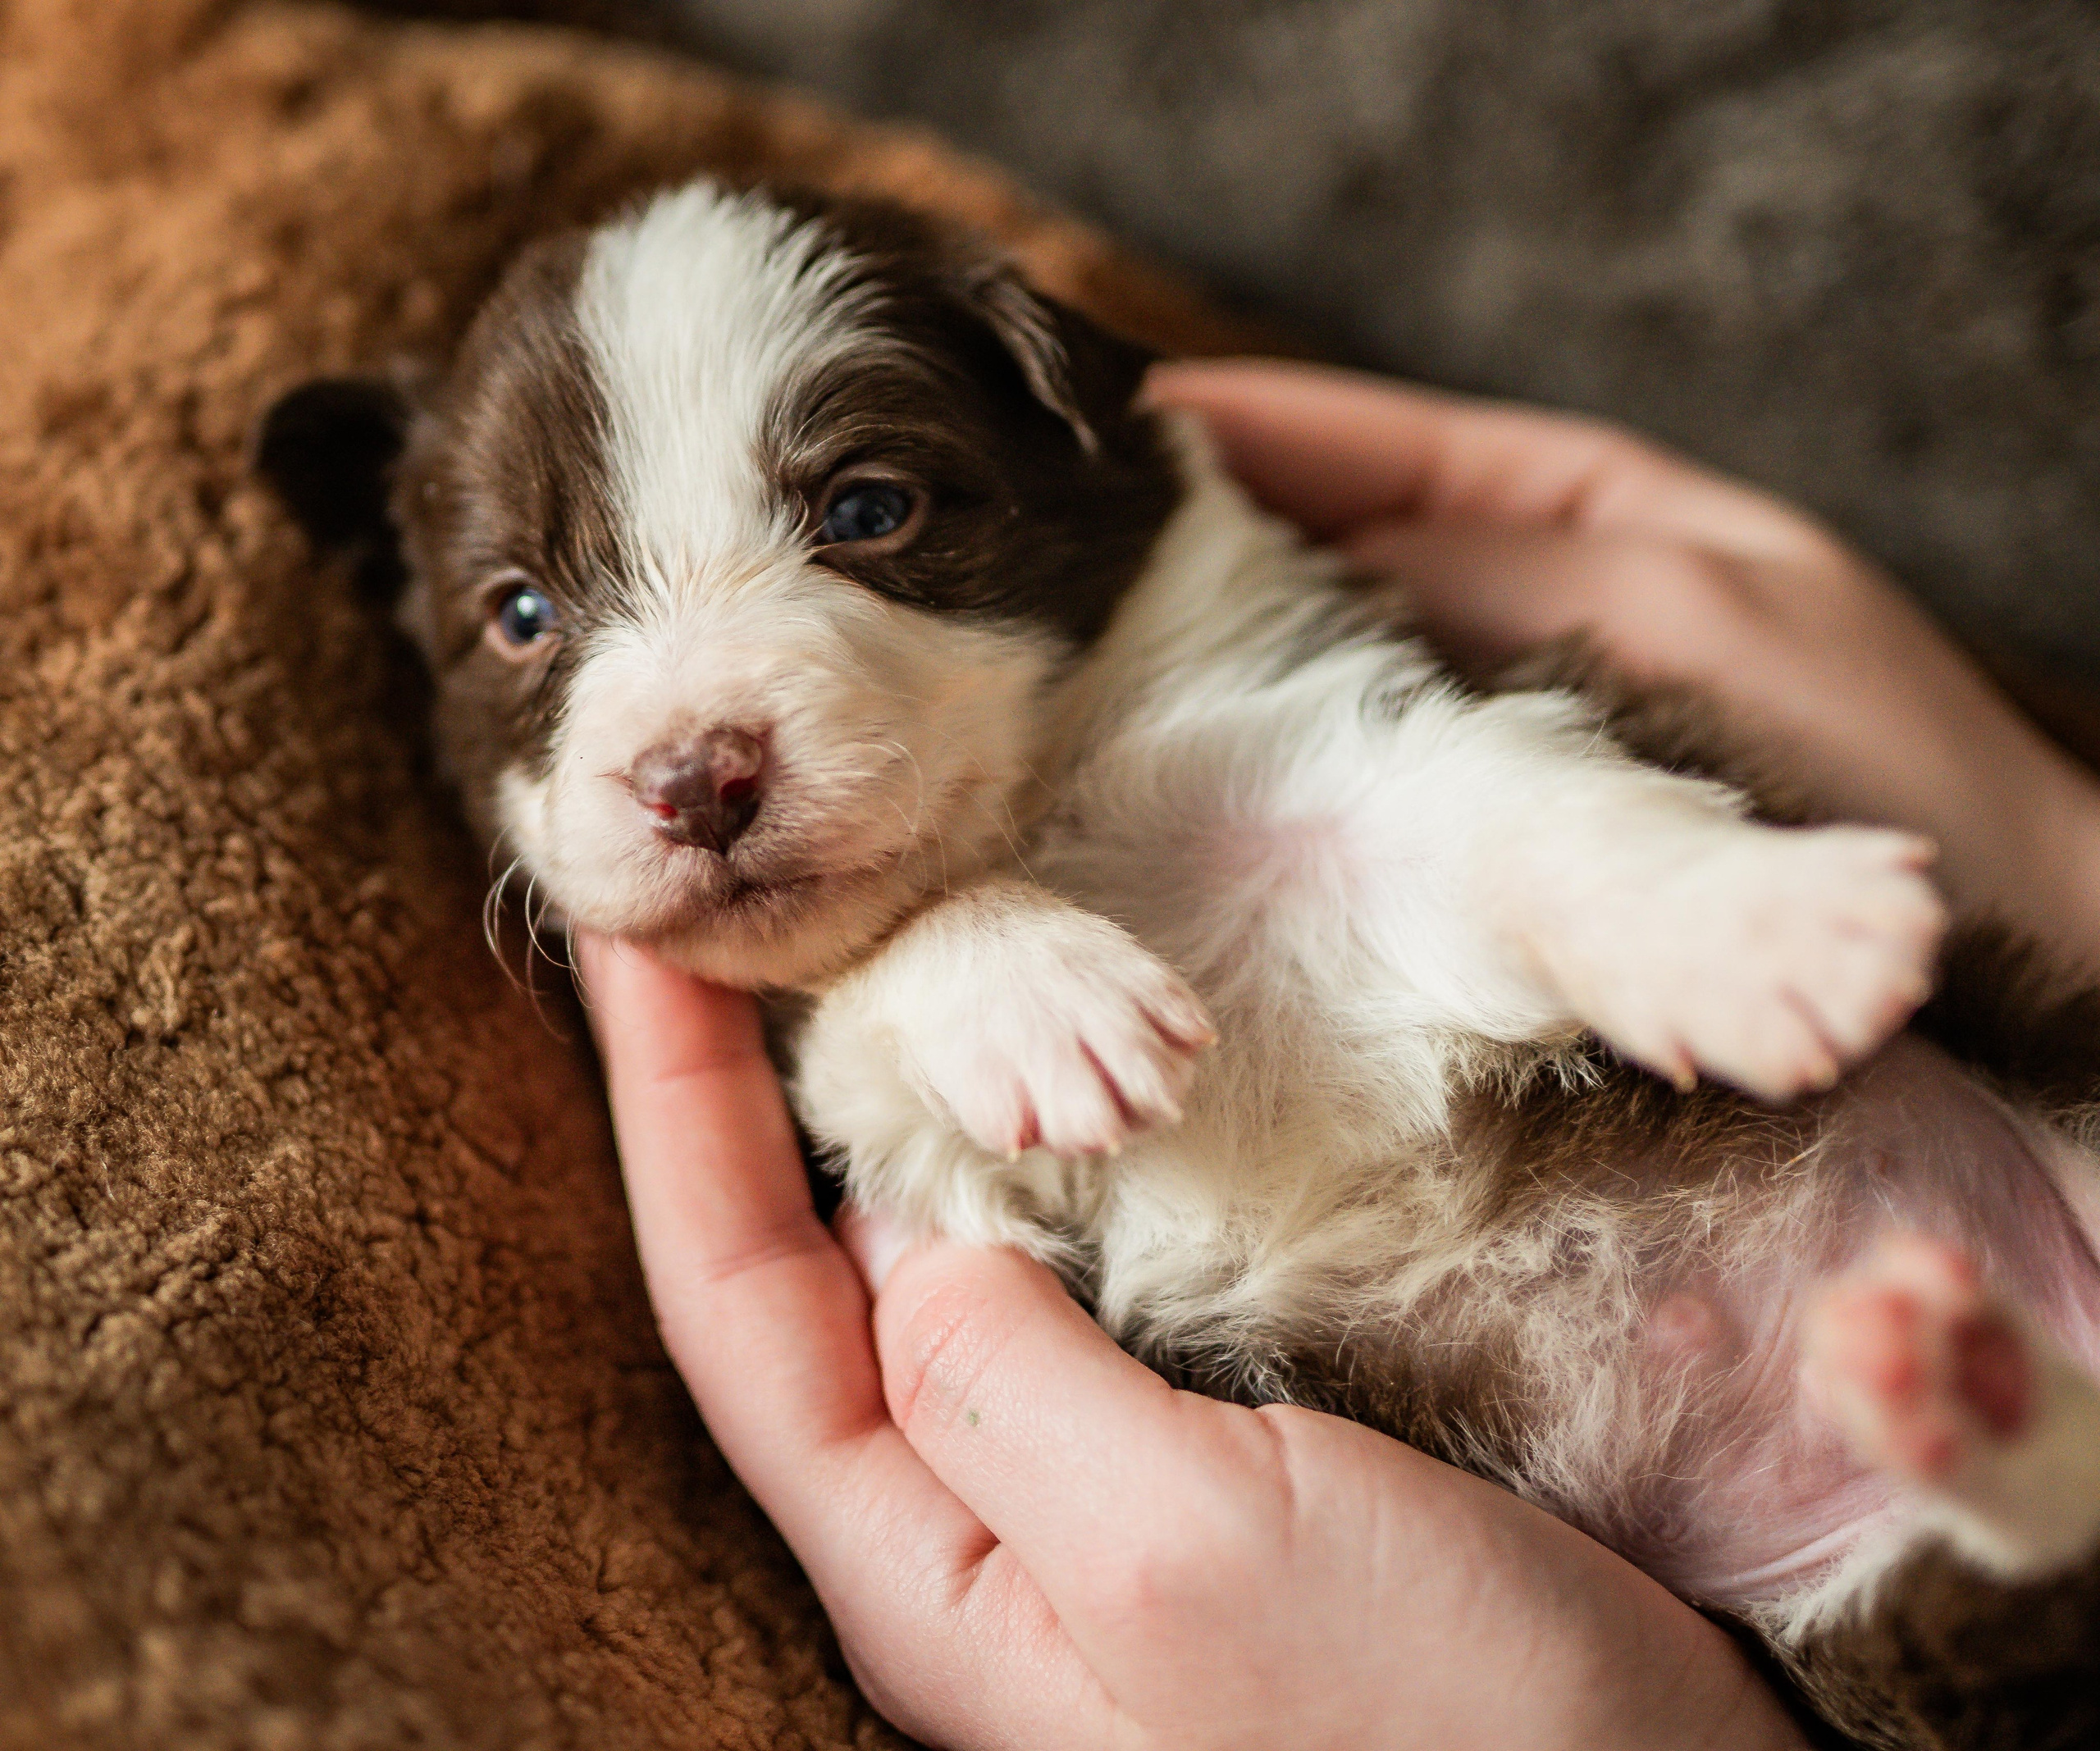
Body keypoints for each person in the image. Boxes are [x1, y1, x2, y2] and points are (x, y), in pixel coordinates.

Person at [575, 359, 2100, 1750]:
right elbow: (921, 1139)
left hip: (2046, 1177)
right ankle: (2037, 1521)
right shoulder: (876, 1014)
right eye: (538, 618)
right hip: (1854, 1563)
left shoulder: (1236, 691)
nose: (700, 734)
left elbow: (1414, 793)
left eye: (862, 512)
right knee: (1990, 1646)